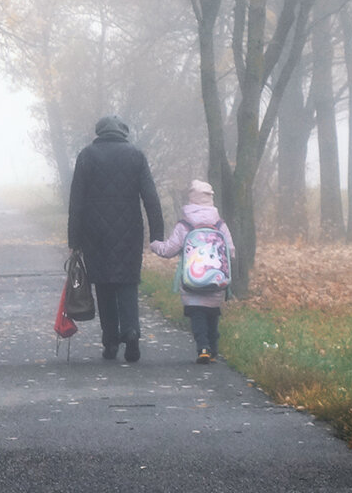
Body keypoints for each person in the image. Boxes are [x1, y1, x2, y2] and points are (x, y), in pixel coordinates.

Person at [67, 115, 165, 362]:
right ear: (123, 131)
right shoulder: (136, 155)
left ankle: (110, 342)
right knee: (127, 282)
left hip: (94, 231)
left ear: (99, 132)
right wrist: (157, 234)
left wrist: (74, 240)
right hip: (129, 230)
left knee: (103, 285)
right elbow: (150, 197)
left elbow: (76, 202)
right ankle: (131, 332)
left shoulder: (86, 156)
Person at [150, 179, 236, 363]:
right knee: (213, 314)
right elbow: (231, 250)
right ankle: (213, 349)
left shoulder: (185, 225)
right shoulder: (220, 224)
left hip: (192, 281)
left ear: (191, 199)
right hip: (217, 280)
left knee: (197, 315)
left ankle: (202, 347)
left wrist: (155, 245)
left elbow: (169, 250)